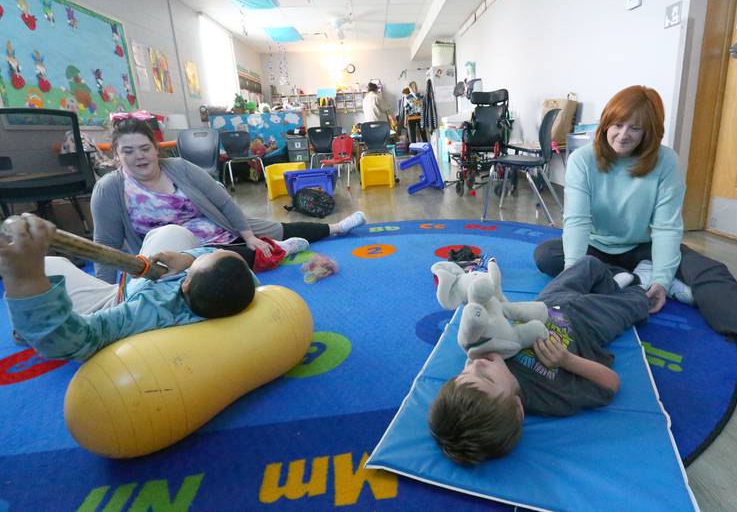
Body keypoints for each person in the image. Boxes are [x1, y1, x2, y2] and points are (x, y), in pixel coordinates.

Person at [533, 85, 737, 395]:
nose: (623, 135)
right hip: (597, 248)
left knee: (709, 272)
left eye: (636, 128)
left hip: (643, 247)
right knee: (547, 254)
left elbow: (666, 227)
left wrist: (660, 279)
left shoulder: (666, 162)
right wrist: (573, 274)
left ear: (651, 133)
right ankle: (638, 280)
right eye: (617, 125)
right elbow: (577, 221)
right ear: (605, 124)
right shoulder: (582, 160)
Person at [90, 114, 366, 283]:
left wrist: (248, 235)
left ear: (155, 149)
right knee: (216, 264)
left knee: (273, 229)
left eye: (144, 148)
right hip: (178, 254)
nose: (138, 156)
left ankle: (335, 228)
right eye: (128, 151)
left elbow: (223, 202)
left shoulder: (180, 169)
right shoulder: (110, 189)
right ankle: (281, 249)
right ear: (116, 155)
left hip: (221, 226)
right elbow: (106, 244)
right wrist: (107, 290)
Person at [428, 255, 649, 465]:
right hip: (587, 325)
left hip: (546, 305)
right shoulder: (548, 397)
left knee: (589, 264)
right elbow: (611, 383)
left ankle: (611, 287)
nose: (477, 363)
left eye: (465, 372)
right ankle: (633, 283)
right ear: (517, 408)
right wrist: (567, 360)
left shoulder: (482, 356)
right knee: (639, 300)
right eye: (485, 376)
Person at [2, 214, 255, 360]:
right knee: (171, 231)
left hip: (118, 303)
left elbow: (74, 340)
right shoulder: (231, 289)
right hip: (142, 283)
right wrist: (189, 259)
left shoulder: (144, 313)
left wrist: (27, 281)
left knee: (51, 265)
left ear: (186, 284)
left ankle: (25, 326)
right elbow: (229, 262)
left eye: (197, 263)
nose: (202, 255)